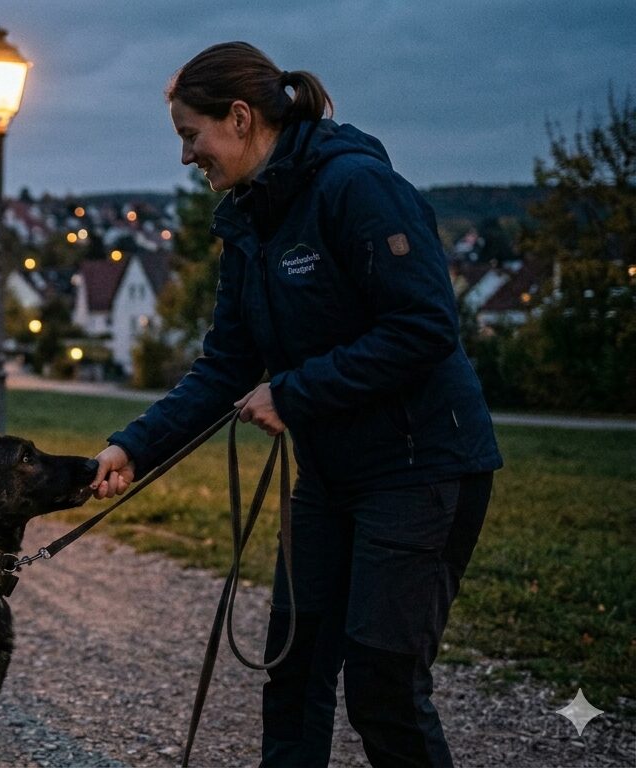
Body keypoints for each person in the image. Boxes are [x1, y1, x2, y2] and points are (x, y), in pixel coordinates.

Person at [90, 42, 502, 767]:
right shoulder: (248, 221)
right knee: (293, 667)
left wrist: (296, 392)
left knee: (383, 688)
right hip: (331, 477)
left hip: (422, 470)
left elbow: (425, 327)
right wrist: (132, 446)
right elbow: (224, 367)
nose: (188, 157)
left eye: (192, 135)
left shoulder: (356, 187)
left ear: (241, 118)